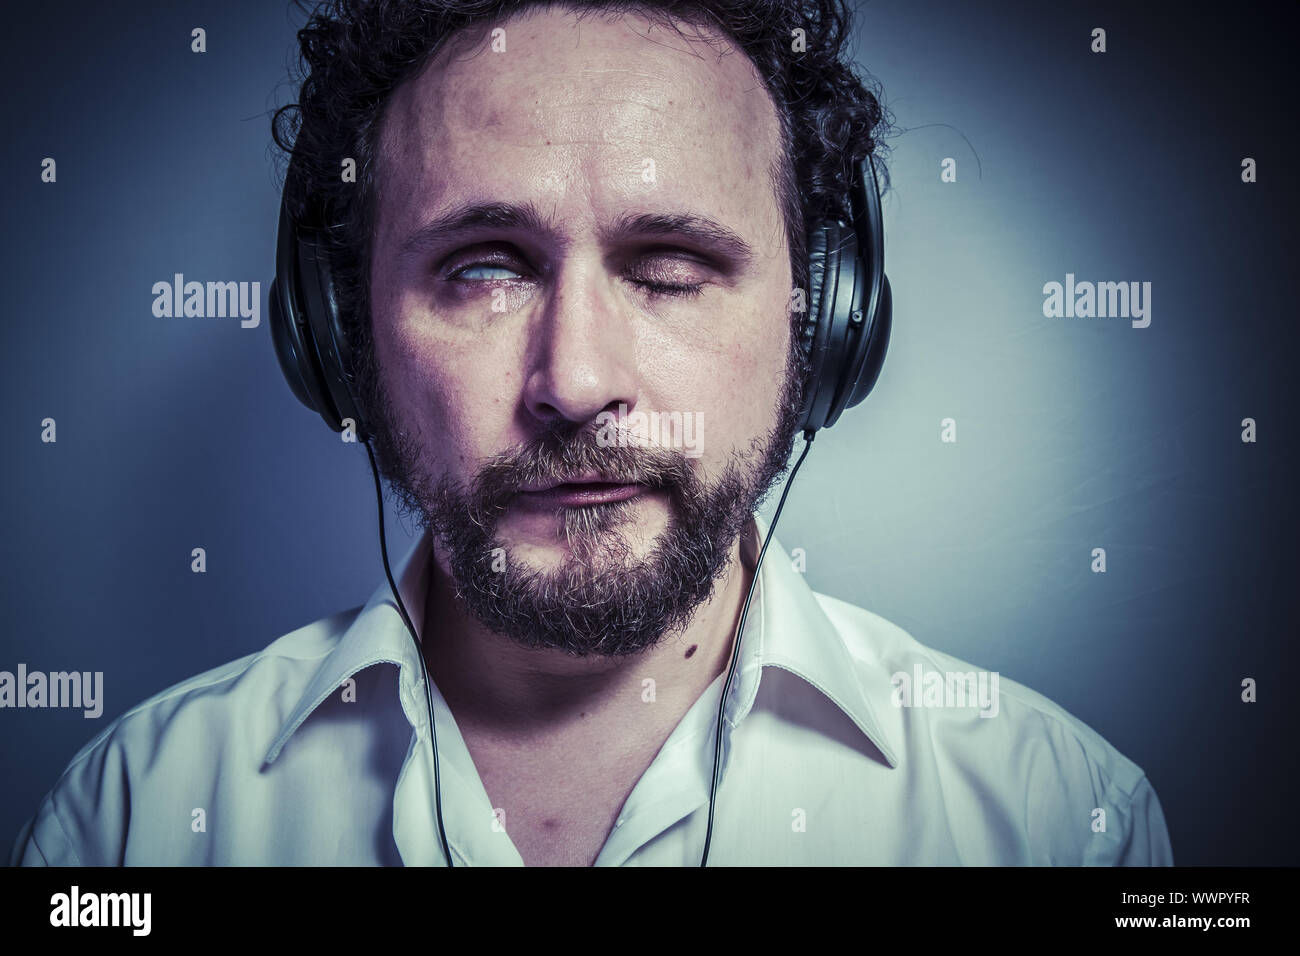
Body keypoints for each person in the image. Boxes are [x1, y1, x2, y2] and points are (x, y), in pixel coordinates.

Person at [10, 0, 1173, 866]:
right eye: (481, 270)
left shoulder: (1054, 816)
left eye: (668, 270)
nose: (574, 380)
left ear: (823, 323)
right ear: (337, 334)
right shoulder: (133, 819)